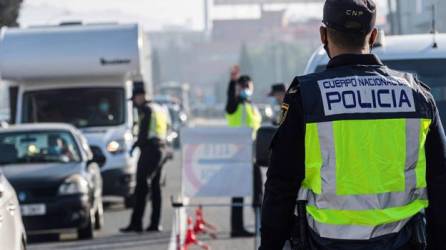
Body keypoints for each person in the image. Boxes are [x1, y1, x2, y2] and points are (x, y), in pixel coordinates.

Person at [260, 0, 446, 249]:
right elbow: (441, 184)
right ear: (374, 35)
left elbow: (280, 187)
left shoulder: (307, 97)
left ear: (323, 35)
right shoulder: (418, 97)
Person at [120, 85, 168, 233]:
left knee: (141, 186)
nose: (134, 102)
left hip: (149, 150)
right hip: (161, 149)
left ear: (141, 96)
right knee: (155, 188)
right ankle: (154, 223)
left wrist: (135, 146)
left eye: (134, 98)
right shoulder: (159, 108)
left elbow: (143, 132)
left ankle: (136, 223)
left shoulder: (146, 110)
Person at [226, 65, 262, 237]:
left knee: (258, 193)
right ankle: (237, 228)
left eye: (249, 86)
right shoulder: (234, 105)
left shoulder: (252, 106)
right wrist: (232, 82)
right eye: (244, 86)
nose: (247, 89)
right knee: (239, 193)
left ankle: (261, 225)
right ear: (239, 88)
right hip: (238, 155)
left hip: (253, 155)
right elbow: (229, 100)